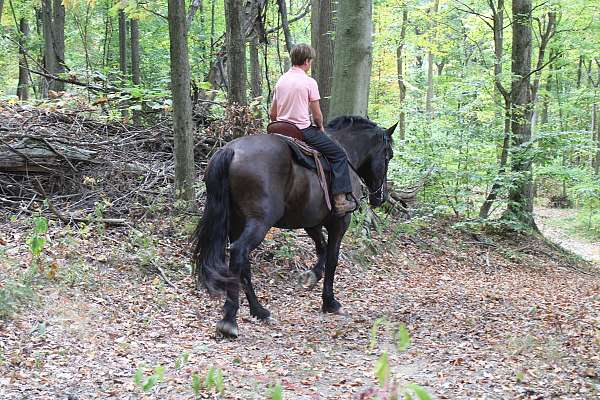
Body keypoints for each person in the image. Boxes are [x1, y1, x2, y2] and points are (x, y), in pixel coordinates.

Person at [269, 43, 355, 216]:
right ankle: (340, 200)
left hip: (279, 129)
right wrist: (321, 127)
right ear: (307, 61)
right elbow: (317, 116)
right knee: (338, 154)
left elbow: (273, 113)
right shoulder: (309, 82)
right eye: (311, 61)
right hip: (301, 130)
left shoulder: (281, 80)